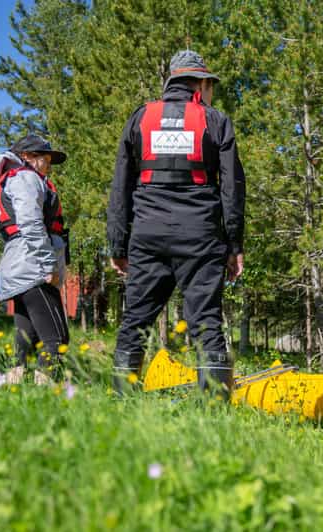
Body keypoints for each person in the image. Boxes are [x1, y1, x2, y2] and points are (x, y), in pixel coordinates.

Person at [107, 50, 245, 396]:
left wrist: (118, 243)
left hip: (147, 235)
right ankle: (213, 410)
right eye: (209, 84)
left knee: (135, 323)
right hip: (200, 237)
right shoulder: (215, 120)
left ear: (171, 81)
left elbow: (121, 186)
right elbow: (231, 188)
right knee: (206, 324)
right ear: (199, 83)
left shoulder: (140, 118)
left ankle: (123, 406)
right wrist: (234, 245)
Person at [0, 134, 70, 385]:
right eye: (45, 159)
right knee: (57, 338)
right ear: (27, 158)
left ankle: (15, 386)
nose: (48, 165)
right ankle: (47, 393)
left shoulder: (12, 180)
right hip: (32, 266)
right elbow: (31, 223)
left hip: (19, 264)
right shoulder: (25, 178)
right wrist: (48, 265)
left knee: (27, 334)